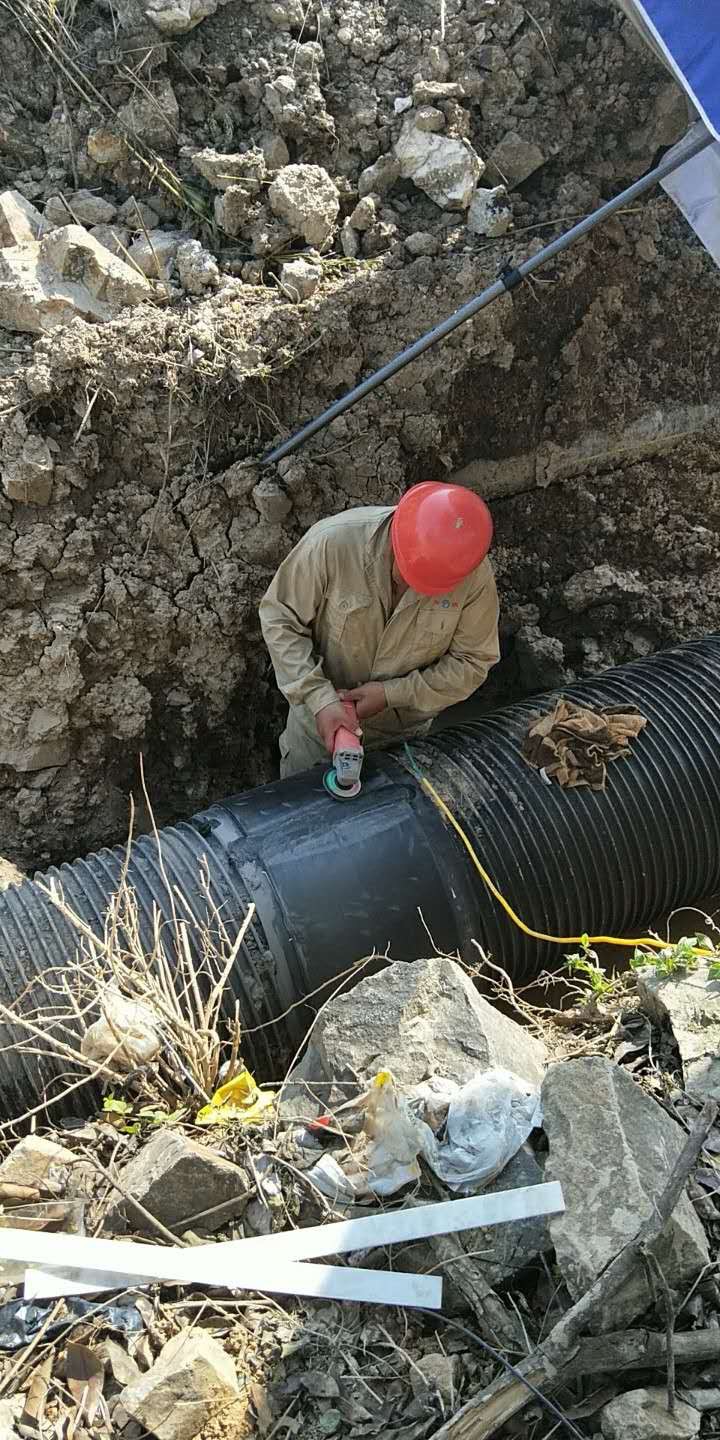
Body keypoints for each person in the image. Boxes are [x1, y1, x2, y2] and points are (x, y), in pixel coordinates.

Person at [259, 481, 500, 778]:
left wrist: (392, 694)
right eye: (409, 575)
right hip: (319, 731)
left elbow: (473, 662)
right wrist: (319, 697)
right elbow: (280, 618)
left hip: (404, 742)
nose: (414, 590)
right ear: (398, 536)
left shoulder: (467, 572)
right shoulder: (333, 544)